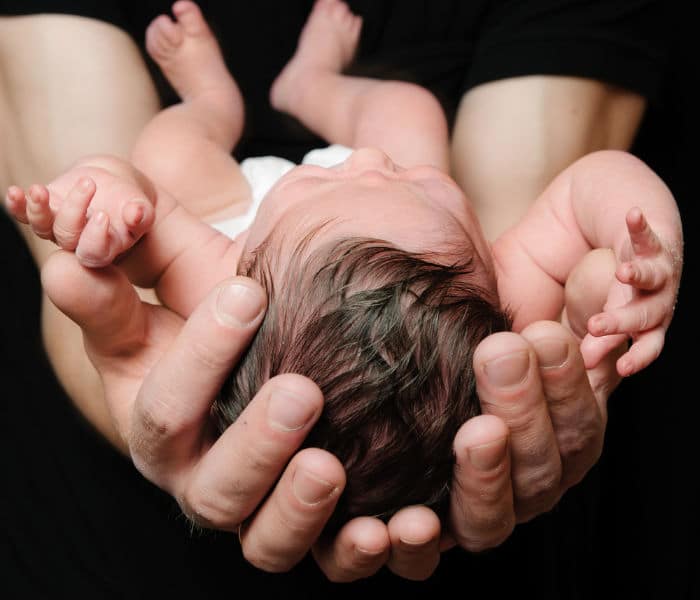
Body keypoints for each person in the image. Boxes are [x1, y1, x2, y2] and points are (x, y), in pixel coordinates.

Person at [0, 0, 674, 593]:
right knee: (409, 112)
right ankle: (315, 84)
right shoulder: (492, 287)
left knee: (168, 155)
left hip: (242, 208)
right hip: (337, 232)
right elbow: (594, 182)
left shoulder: (220, 272)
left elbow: (133, 221)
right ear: (487, 280)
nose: (366, 159)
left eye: (378, 173)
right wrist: (643, 247)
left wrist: (105, 201)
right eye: (425, 188)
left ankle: (212, 101)